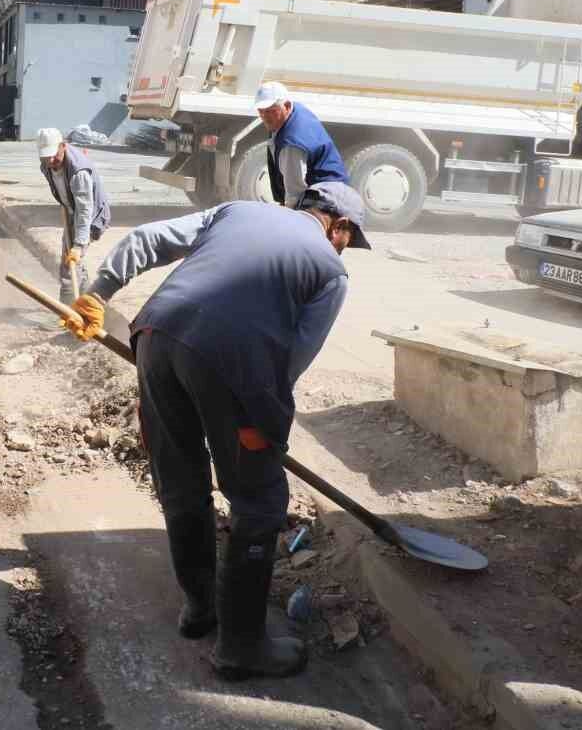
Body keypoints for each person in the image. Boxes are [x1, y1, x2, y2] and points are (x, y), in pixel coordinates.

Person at [62, 182, 371, 680]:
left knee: (182, 482)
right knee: (260, 502)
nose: (343, 248)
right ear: (339, 227)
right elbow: (290, 363)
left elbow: (146, 238)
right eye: (347, 239)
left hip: (155, 338)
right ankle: (241, 647)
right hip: (231, 362)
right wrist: (261, 435)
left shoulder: (238, 211)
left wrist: (97, 293)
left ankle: (200, 608)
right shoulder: (331, 271)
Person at [37, 127, 111, 303]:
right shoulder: (47, 164)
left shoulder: (79, 172)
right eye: (46, 157)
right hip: (72, 211)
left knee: (69, 264)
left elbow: (85, 211)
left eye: (54, 155)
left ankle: (67, 312)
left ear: (63, 146)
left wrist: (79, 244)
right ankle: (88, 302)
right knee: (71, 263)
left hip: (92, 216)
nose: (51, 160)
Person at [253, 81, 347, 210]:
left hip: (326, 199)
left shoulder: (292, 143)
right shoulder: (294, 111)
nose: (264, 117)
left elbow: (295, 193)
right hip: (332, 191)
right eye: (261, 111)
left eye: (271, 111)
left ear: (286, 105)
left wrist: (290, 215)